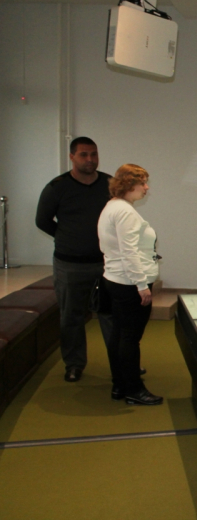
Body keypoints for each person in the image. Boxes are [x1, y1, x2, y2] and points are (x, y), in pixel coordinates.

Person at [35, 136, 113, 382]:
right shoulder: (57, 187)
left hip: (106, 263)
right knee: (71, 317)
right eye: (83, 154)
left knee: (112, 316)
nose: (90, 159)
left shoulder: (110, 184)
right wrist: (66, 237)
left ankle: (122, 363)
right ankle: (74, 364)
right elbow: (42, 220)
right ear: (72, 157)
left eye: (94, 154)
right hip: (69, 264)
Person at [98, 164, 162, 405]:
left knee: (119, 334)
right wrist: (141, 285)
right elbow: (129, 252)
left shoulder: (113, 206)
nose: (146, 187)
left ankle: (120, 384)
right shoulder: (125, 212)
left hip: (117, 279)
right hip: (128, 283)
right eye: (142, 182)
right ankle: (134, 390)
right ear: (128, 184)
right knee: (129, 338)